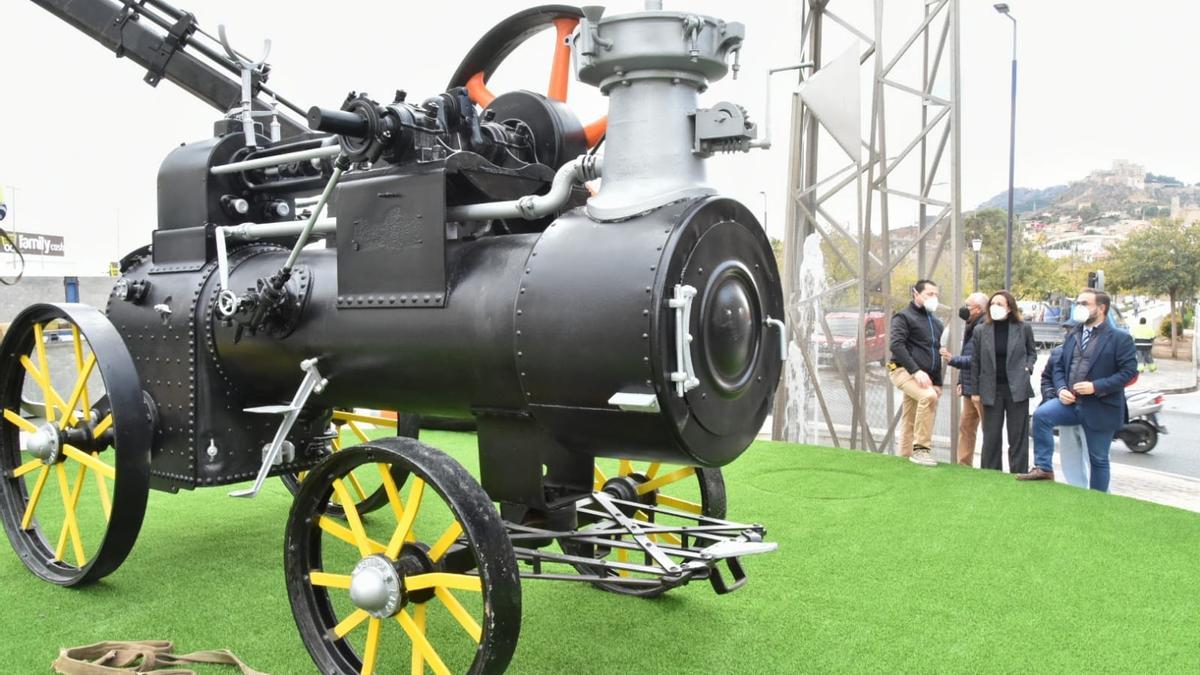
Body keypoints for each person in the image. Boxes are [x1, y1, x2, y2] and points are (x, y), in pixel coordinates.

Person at [1019, 288, 1137, 491]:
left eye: (1084, 304)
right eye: (1078, 303)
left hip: (1101, 406)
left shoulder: (1120, 338)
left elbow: (1128, 373)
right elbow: (1059, 367)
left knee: (1098, 459)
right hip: (1071, 403)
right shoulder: (1074, 335)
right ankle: (1043, 468)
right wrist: (1061, 389)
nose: (1078, 307)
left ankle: (1097, 501)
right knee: (1041, 416)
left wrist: (1095, 387)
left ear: (1101, 308)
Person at [969, 290, 1037, 473]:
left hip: (1017, 388)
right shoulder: (981, 330)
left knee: (1017, 436)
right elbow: (975, 361)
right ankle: (991, 473)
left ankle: (1019, 472)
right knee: (991, 436)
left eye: (1000, 304)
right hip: (991, 389)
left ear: (1009, 308)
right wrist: (974, 391)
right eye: (992, 303)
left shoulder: (1023, 328)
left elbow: (1032, 352)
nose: (994, 307)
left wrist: (1028, 367)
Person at [888, 279, 944, 467]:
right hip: (901, 370)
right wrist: (916, 370)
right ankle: (921, 450)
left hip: (925, 376)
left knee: (910, 416)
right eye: (929, 294)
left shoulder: (937, 323)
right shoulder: (903, 317)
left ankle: (904, 457)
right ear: (916, 294)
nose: (934, 298)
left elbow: (936, 352)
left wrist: (938, 382)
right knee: (928, 398)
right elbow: (896, 345)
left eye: (936, 294)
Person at [940, 292, 988, 466]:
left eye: (968, 305)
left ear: (978, 309)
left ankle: (989, 466)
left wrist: (953, 360)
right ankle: (964, 464)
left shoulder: (985, 327)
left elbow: (979, 359)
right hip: (969, 386)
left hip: (982, 388)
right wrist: (961, 381)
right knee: (966, 427)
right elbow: (968, 353)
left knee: (988, 429)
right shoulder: (972, 324)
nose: (964, 309)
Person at [1039, 331, 1089, 488]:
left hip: (1092, 412)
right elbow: (1047, 378)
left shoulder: (1098, 352)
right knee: (1070, 457)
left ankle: (1101, 495)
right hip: (1066, 411)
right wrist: (1057, 393)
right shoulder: (1058, 352)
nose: (1071, 334)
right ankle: (1076, 490)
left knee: (1096, 458)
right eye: (1069, 330)